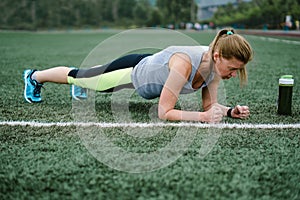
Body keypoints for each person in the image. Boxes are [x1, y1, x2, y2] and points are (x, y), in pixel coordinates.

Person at [23, 28, 253, 123]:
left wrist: (230, 111)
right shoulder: (185, 64)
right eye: (233, 69)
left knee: (92, 79)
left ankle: (84, 85)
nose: (233, 74)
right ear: (217, 56)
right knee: (79, 75)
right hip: (133, 73)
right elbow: (165, 112)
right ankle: (35, 76)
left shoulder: (213, 68)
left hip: (148, 68)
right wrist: (203, 118)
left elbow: (209, 106)